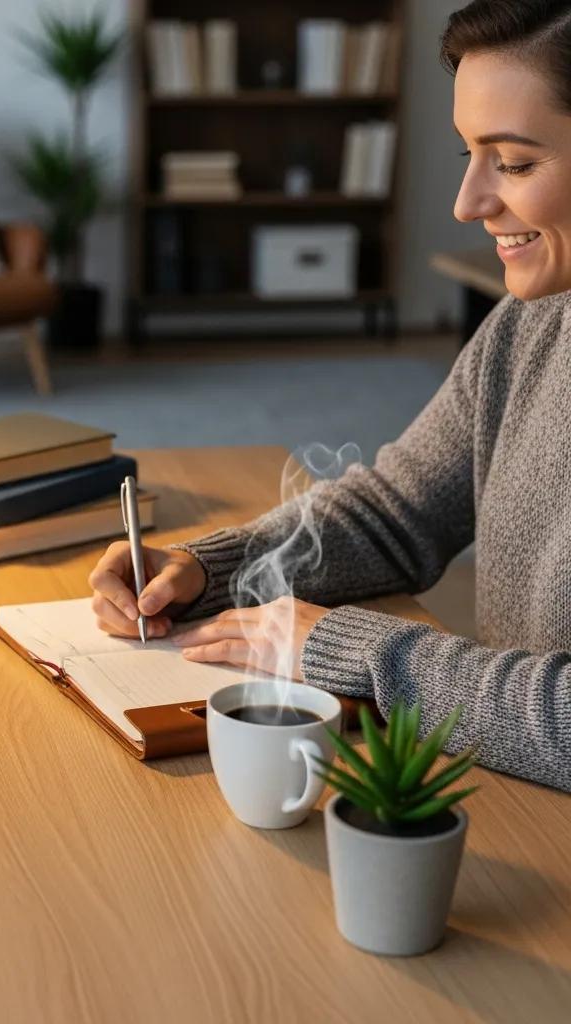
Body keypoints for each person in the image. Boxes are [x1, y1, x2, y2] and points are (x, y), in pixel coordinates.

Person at [89, 0, 571, 793]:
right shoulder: (530, 326)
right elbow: (397, 512)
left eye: (514, 164)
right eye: (470, 155)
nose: (468, 202)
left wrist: (354, 650)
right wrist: (206, 567)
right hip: (511, 792)